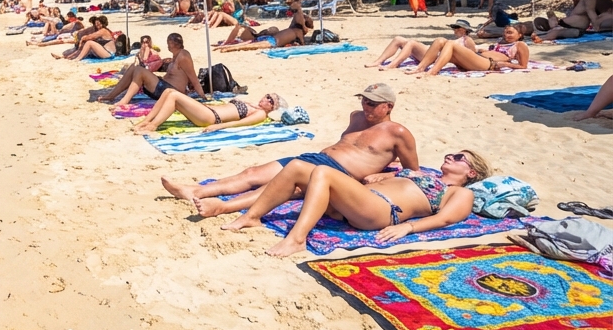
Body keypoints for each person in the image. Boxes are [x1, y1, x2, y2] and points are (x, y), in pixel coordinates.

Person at [161, 83, 418, 218]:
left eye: (373, 104)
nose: (366, 107)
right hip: (316, 158)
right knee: (252, 172)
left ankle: (223, 207)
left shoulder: (398, 133)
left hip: (338, 174)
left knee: (278, 188)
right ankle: (195, 190)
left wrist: (384, 175)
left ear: (389, 106)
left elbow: (414, 172)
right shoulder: (356, 117)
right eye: (364, 101)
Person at [253, 151, 491, 257]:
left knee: (324, 172)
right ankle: (251, 217)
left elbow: (446, 218)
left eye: (459, 158)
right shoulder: (426, 174)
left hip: (380, 210)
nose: (450, 156)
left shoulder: (459, 192)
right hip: (357, 202)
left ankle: (296, 239)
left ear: (471, 172)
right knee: (296, 166)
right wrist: (386, 176)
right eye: (452, 153)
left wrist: (408, 228)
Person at [93, 33, 204, 104]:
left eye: (169, 43)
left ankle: (124, 100)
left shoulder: (183, 56)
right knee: (134, 67)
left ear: (174, 43)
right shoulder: (175, 56)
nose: (167, 45)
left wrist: (203, 97)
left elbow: (194, 79)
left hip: (171, 91)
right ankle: (111, 95)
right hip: (163, 87)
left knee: (139, 70)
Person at [130, 90, 285, 134]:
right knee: (169, 91)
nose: (267, 100)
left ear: (272, 108)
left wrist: (217, 127)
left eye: (271, 102)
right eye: (268, 97)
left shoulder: (260, 114)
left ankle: (154, 126)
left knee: (175, 96)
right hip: (208, 110)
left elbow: (239, 123)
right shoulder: (252, 103)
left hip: (211, 118)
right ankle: (147, 121)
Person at [405, 23, 529, 76]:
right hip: (478, 58)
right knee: (440, 41)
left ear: (520, 35)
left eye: (510, 33)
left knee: (451, 44)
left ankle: (432, 72)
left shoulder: (519, 45)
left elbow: (523, 65)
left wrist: (506, 64)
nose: (506, 35)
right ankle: (420, 68)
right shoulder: (502, 42)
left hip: (489, 63)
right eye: (505, 32)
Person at [365, 19, 477, 69]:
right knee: (398, 39)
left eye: (456, 28)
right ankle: (378, 61)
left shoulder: (467, 39)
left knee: (412, 43)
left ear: (463, 29)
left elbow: (472, 57)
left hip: (435, 56)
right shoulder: (457, 39)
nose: (454, 30)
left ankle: (392, 65)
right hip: (431, 52)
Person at [216, 0, 310, 51]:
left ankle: (225, 46)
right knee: (247, 46)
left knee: (248, 44)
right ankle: (227, 48)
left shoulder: (291, 29)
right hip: (273, 42)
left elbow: (298, 13)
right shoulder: (299, 32)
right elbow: (303, 44)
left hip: (271, 39)